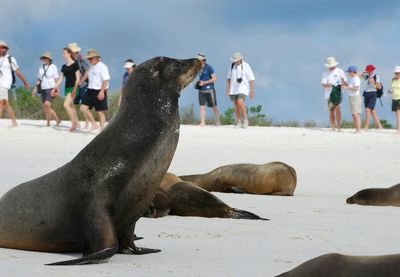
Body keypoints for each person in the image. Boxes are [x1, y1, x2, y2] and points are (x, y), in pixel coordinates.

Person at [0, 40, 30, 127]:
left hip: (5, 83)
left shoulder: (10, 59)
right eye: (0, 48)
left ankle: (14, 122)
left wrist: (25, 82)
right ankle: (14, 122)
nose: (1, 49)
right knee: (5, 103)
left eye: (3, 47)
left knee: (2, 102)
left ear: (6, 49)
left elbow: (17, 71)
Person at [79, 49, 110, 131]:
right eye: (88, 59)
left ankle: (102, 129)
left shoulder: (103, 67)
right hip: (90, 90)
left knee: (99, 112)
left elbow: (106, 80)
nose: (89, 60)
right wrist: (81, 81)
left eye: (90, 58)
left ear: (96, 58)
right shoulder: (91, 66)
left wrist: (102, 91)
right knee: (83, 108)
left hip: (99, 90)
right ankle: (94, 124)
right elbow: (87, 73)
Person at [53, 47, 80, 131]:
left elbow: (78, 79)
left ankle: (74, 124)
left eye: (64, 53)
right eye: (62, 53)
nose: (63, 55)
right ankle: (77, 123)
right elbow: (61, 79)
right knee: (71, 106)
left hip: (74, 87)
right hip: (67, 88)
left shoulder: (75, 65)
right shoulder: (63, 66)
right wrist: (54, 87)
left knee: (66, 105)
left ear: (69, 54)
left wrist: (75, 89)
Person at [226, 52, 255, 128]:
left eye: (237, 60)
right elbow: (228, 78)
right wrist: (228, 89)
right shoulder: (232, 66)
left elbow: (251, 79)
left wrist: (252, 90)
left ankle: (245, 119)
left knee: (240, 102)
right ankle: (238, 121)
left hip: (243, 88)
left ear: (240, 59)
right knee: (236, 105)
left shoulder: (246, 66)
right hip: (233, 88)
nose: (235, 61)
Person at [68, 42, 91, 129]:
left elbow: (87, 72)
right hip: (74, 86)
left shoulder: (81, 60)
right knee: (70, 103)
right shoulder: (69, 61)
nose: (77, 53)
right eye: (75, 52)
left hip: (83, 85)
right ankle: (76, 122)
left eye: (77, 52)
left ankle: (87, 122)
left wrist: (81, 81)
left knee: (84, 105)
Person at [34, 52, 60, 127]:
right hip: (42, 88)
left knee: (47, 105)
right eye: (43, 58)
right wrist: (35, 88)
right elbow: (39, 79)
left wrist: (57, 89)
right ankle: (55, 120)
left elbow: (57, 79)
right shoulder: (41, 67)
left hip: (51, 88)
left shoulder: (53, 67)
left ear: (49, 59)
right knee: (46, 107)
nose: (44, 59)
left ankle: (50, 122)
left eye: (45, 58)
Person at [321, 57, 346, 132]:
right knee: (331, 110)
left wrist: (342, 84)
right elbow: (323, 84)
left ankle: (338, 127)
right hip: (328, 94)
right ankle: (333, 127)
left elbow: (344, 81)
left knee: (338, 109)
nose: (331, 67)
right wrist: (330, 85)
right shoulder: (325, 73)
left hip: (338, 93)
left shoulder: (340, 71)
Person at [196, 53, 220, 126]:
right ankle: (202, 122)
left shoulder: (209, 67)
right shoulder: (197, 68)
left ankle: (218, 121)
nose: (198, 61)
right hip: (201, 90)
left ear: (203, 60)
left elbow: (215, 78)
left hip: (210, 90)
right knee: (201, 107)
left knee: (213, 107)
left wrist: (205, 82)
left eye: (199, 60)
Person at [361, 64, 383, 130]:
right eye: (367, 70)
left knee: (367, 110)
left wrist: (373, 82)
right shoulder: (366, 76)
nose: (368, 71)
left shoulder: (376, 76)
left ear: (372, 70)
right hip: (366, 93)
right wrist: (364, 72)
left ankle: (366, 127)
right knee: (372, 111)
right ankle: (380, 126)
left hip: (373, 93)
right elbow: (358, 75)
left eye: (369, 70)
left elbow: (379, 87)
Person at [342, 65, 362, 134]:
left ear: (352, 72)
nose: (348, 73)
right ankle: (357, 129)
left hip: (355, 97)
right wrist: (345, 84)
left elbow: (356, 88)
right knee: (353, 114)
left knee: (356, 114)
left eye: (349, 72)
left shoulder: (356, 78)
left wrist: (346, 88)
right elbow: (351, 87)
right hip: (352, 97)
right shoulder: (353, 78)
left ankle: (359, 130)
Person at [390, 66, 400, 134]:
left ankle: (398, 129)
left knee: (399, 114)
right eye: (396, 73)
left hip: (399, 98)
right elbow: (391, 89)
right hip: (394, 98)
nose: (397, 74)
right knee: (396, 115)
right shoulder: (392, 80)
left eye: (398, 73)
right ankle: (398, 129)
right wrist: (389, 91)